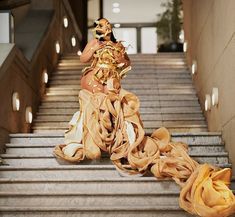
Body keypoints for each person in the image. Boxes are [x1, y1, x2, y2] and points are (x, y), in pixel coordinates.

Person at [53, 18, 235, 217]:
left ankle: (117, 138)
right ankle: (98, 136)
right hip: (94, 80)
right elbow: (83, 59)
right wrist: (93, 48)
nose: (100, 29)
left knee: (117, 107)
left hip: (111, 83)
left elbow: (126, 63)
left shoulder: (117, 45)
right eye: (98, 26)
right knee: (99, 107)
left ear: (109, 28)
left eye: (103, 26)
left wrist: (120, 56)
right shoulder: (94, 43)